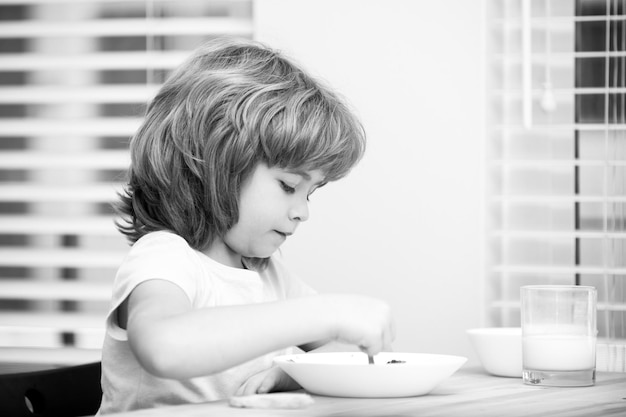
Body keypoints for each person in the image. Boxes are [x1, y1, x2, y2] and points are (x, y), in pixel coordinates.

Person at [97, 37, 394, 414]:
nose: (303, 211)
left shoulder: (270, 276)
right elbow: (163, 347)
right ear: (215, 165)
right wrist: (325, 313)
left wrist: (297, 371)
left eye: (310, 193)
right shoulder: (164, 260)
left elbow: (343, 356)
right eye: (288, 186)